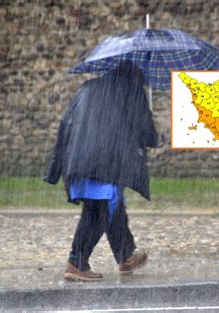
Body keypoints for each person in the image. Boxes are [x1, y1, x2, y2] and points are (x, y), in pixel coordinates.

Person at [44, 61, 158, 282]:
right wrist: (153, 136)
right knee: (100, 211)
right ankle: (76, 262)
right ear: (135, 77)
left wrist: (56, 167)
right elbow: (147, 133)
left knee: (108, 206)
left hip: (78, 159)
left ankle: (125, 256)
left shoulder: (88, 88)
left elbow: (65, 123)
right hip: (106, 161)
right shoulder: (132, 90)